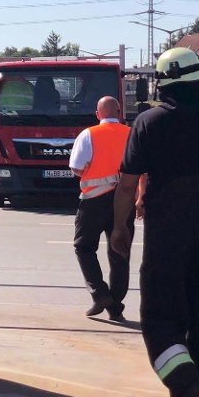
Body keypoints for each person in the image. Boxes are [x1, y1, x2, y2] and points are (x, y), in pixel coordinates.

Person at [111, 47, 199, 397]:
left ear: (163, 84)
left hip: (167, 234)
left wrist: (119, 227)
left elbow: (128, 183)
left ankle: (186, 391)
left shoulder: (149, 122)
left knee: (159, 319)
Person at [68, 96, 134, 322]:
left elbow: (76, 167)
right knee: (120, 253)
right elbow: (143, 170)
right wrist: (141, 198)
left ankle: (99, 293)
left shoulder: (88, 134)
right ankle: (115, 306)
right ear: (119, 111)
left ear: (98, 115)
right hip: (125, 201)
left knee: (84, 247)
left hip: (94, 200)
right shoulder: (131, 133)